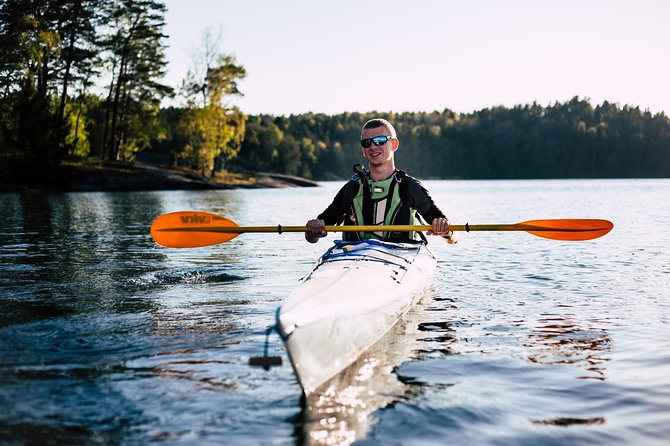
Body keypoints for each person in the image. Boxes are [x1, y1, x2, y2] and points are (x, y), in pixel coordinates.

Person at [305, 118, 457, 244]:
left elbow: (454, 238)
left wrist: (446, 231)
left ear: (394, 144)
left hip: (400, 261)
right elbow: (312, 238)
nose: (372, 146)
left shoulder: (409, 187)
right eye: (367, 143)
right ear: (362, 150)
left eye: (379, 140)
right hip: (354, 261)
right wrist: (313, 229)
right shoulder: (352, 189)